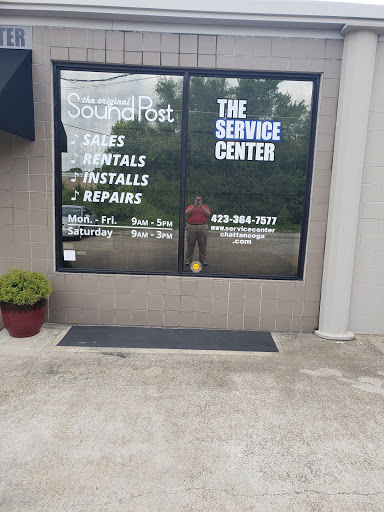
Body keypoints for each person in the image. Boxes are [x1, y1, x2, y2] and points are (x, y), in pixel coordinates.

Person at [185, 194, 211, 267]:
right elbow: (186, 213)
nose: (198, 201)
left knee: (202, 244)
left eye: (199, 200)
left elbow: (208, 214)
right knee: (190, 244)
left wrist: (201, 206)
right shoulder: (190, 206)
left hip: (202, 226)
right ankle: (188, 260)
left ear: (202, 200)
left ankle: (203, 260)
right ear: (194, 200)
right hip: (191, 226)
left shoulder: (205, 206)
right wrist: (194, 206)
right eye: (197, 199)